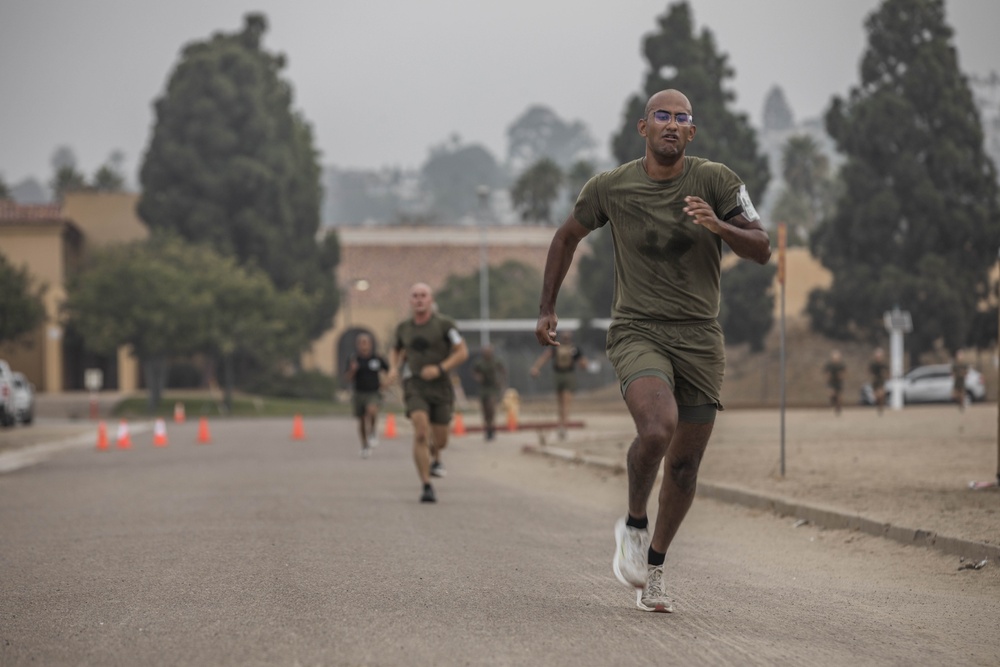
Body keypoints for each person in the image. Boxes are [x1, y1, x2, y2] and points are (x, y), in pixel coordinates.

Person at [534, 89, 771, 613]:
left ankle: (657, 567)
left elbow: (762, 246)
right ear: (643, 127)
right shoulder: (611, 187)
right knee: (657, 428)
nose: (671, 124)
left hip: (700, 337)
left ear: (691, 132)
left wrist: (720, 225)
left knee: (685, 466)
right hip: (638, 329)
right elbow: (565, 237)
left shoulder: (717, 181)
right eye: (661, 116)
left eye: (681, 118)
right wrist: (547, 307)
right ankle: (634, 526)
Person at [386, 283, 469, 503]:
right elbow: (396, 349)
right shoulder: (404, 327)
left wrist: (440, 368)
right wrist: (394, 367)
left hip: (441, 386)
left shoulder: (444, 325)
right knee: (421, 431)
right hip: (415, 385)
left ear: (430, 300)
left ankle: (436, 455)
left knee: (440, 440)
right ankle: (426, 484)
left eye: (423, 295)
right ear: (410, 301)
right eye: (415, 296)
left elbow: (462, 352)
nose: (419, 299)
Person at [530, 330, 589, 440]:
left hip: (568, 375)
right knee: (561, 403)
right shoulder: (556, 347)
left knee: (566, 402)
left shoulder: (574, 349)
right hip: (559, 375)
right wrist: (536, 367)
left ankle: (563, 426)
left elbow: (583, 363)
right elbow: (545, 357)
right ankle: (561, 425)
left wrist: (584, 364)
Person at [344, 333, 389, 458]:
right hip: (359, 392)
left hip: (373, 392)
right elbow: (347, 378)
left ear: (370, 344)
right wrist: (353, 370)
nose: (364, 345)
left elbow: (390, 371)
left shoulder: (377, 359)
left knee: (372, 411)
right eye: (361, 343)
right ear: (357, 345)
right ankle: (364, 445)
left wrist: (386, 383)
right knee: (362, 420)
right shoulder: (354, 359)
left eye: (366, 342)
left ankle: (373, 431)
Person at [472, 345, 506, 440]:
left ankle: (492, 427)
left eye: (489, 352)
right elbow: (474, 371)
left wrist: (500, 381)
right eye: (485, 352)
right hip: (483, 388)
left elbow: (503, 371)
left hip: (493, 387)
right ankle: (487, 428)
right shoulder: (479, 363)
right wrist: (478, 377)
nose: (487, 354)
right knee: (485, 410)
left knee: (491, 408)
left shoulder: (496, 361)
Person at [823, 349, 846, 416]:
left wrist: (841, 376)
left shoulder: (841, 365)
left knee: (839, 397)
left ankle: (838, 408)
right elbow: (826, 372)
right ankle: (833, 402)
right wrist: (827, 376)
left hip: (838, 382)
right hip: (831, 382)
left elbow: (844, 373)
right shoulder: (829, 365)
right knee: (831, 393)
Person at [869, 348, 888, 414]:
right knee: (877, 396)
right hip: (875, 381)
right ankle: (878, 405)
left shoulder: (884, 364)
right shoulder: (873, 364)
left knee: (881, 394)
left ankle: (881, 407)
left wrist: (885, 374)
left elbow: (887, 372)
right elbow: (870, 372)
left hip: (881, 381)